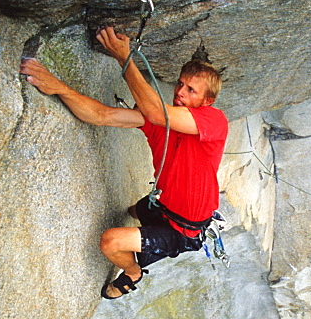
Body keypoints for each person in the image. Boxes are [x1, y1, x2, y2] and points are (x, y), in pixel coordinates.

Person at [20, 26, 228, 299]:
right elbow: (101, 115)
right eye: (180, 84)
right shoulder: (161, 122)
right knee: (135, 209)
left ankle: (133, 272)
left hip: (184, 228)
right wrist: (58, 87)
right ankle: (143, 221)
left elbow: (155, 112)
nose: (180, 93)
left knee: (112, 242)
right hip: (163, 204)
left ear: (207, 101)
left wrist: (124, 57)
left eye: (191, 90)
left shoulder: (214, 121)